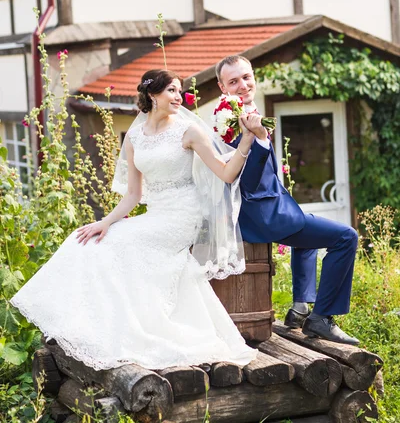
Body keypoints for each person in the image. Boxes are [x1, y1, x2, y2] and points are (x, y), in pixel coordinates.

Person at [11, 69, 258, 371]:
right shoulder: (134, 136)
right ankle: (92, 325)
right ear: (153, 95)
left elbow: (226, 173)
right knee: (87, 241)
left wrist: (246, 141)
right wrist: (105, 222)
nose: (179, 97)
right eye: (172, 91)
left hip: (183, 215)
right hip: (156, 215)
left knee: (120, 243)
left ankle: (123, 327)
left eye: (180, 91)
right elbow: (132, 195)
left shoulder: (189, 132)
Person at [215, 55, 359, 346]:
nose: (243, 85)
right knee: (346, 237)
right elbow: (247, 182)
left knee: (306, 235)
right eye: (233, 81)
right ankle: (322, 318)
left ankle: (300, 309)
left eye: (246, 77)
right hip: (260, 214)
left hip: (272, 207)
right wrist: (261, 139)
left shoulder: (246, 111)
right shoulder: (228, 121)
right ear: (222, 86)